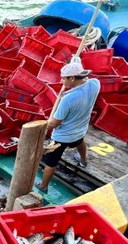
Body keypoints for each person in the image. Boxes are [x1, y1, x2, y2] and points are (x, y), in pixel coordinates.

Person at [35, 57, 100, 194]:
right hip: (80, 129)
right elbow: (86, 79)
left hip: (62, 136)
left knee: (50, 162)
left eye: (64, 78)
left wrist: (44, 124)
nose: (62, 81)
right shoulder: (94, 84)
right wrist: (76, 63)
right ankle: (83, 161)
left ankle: (43, 186)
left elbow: (54, 123)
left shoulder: (68, 99)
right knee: (79, 142)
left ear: (72, 78)